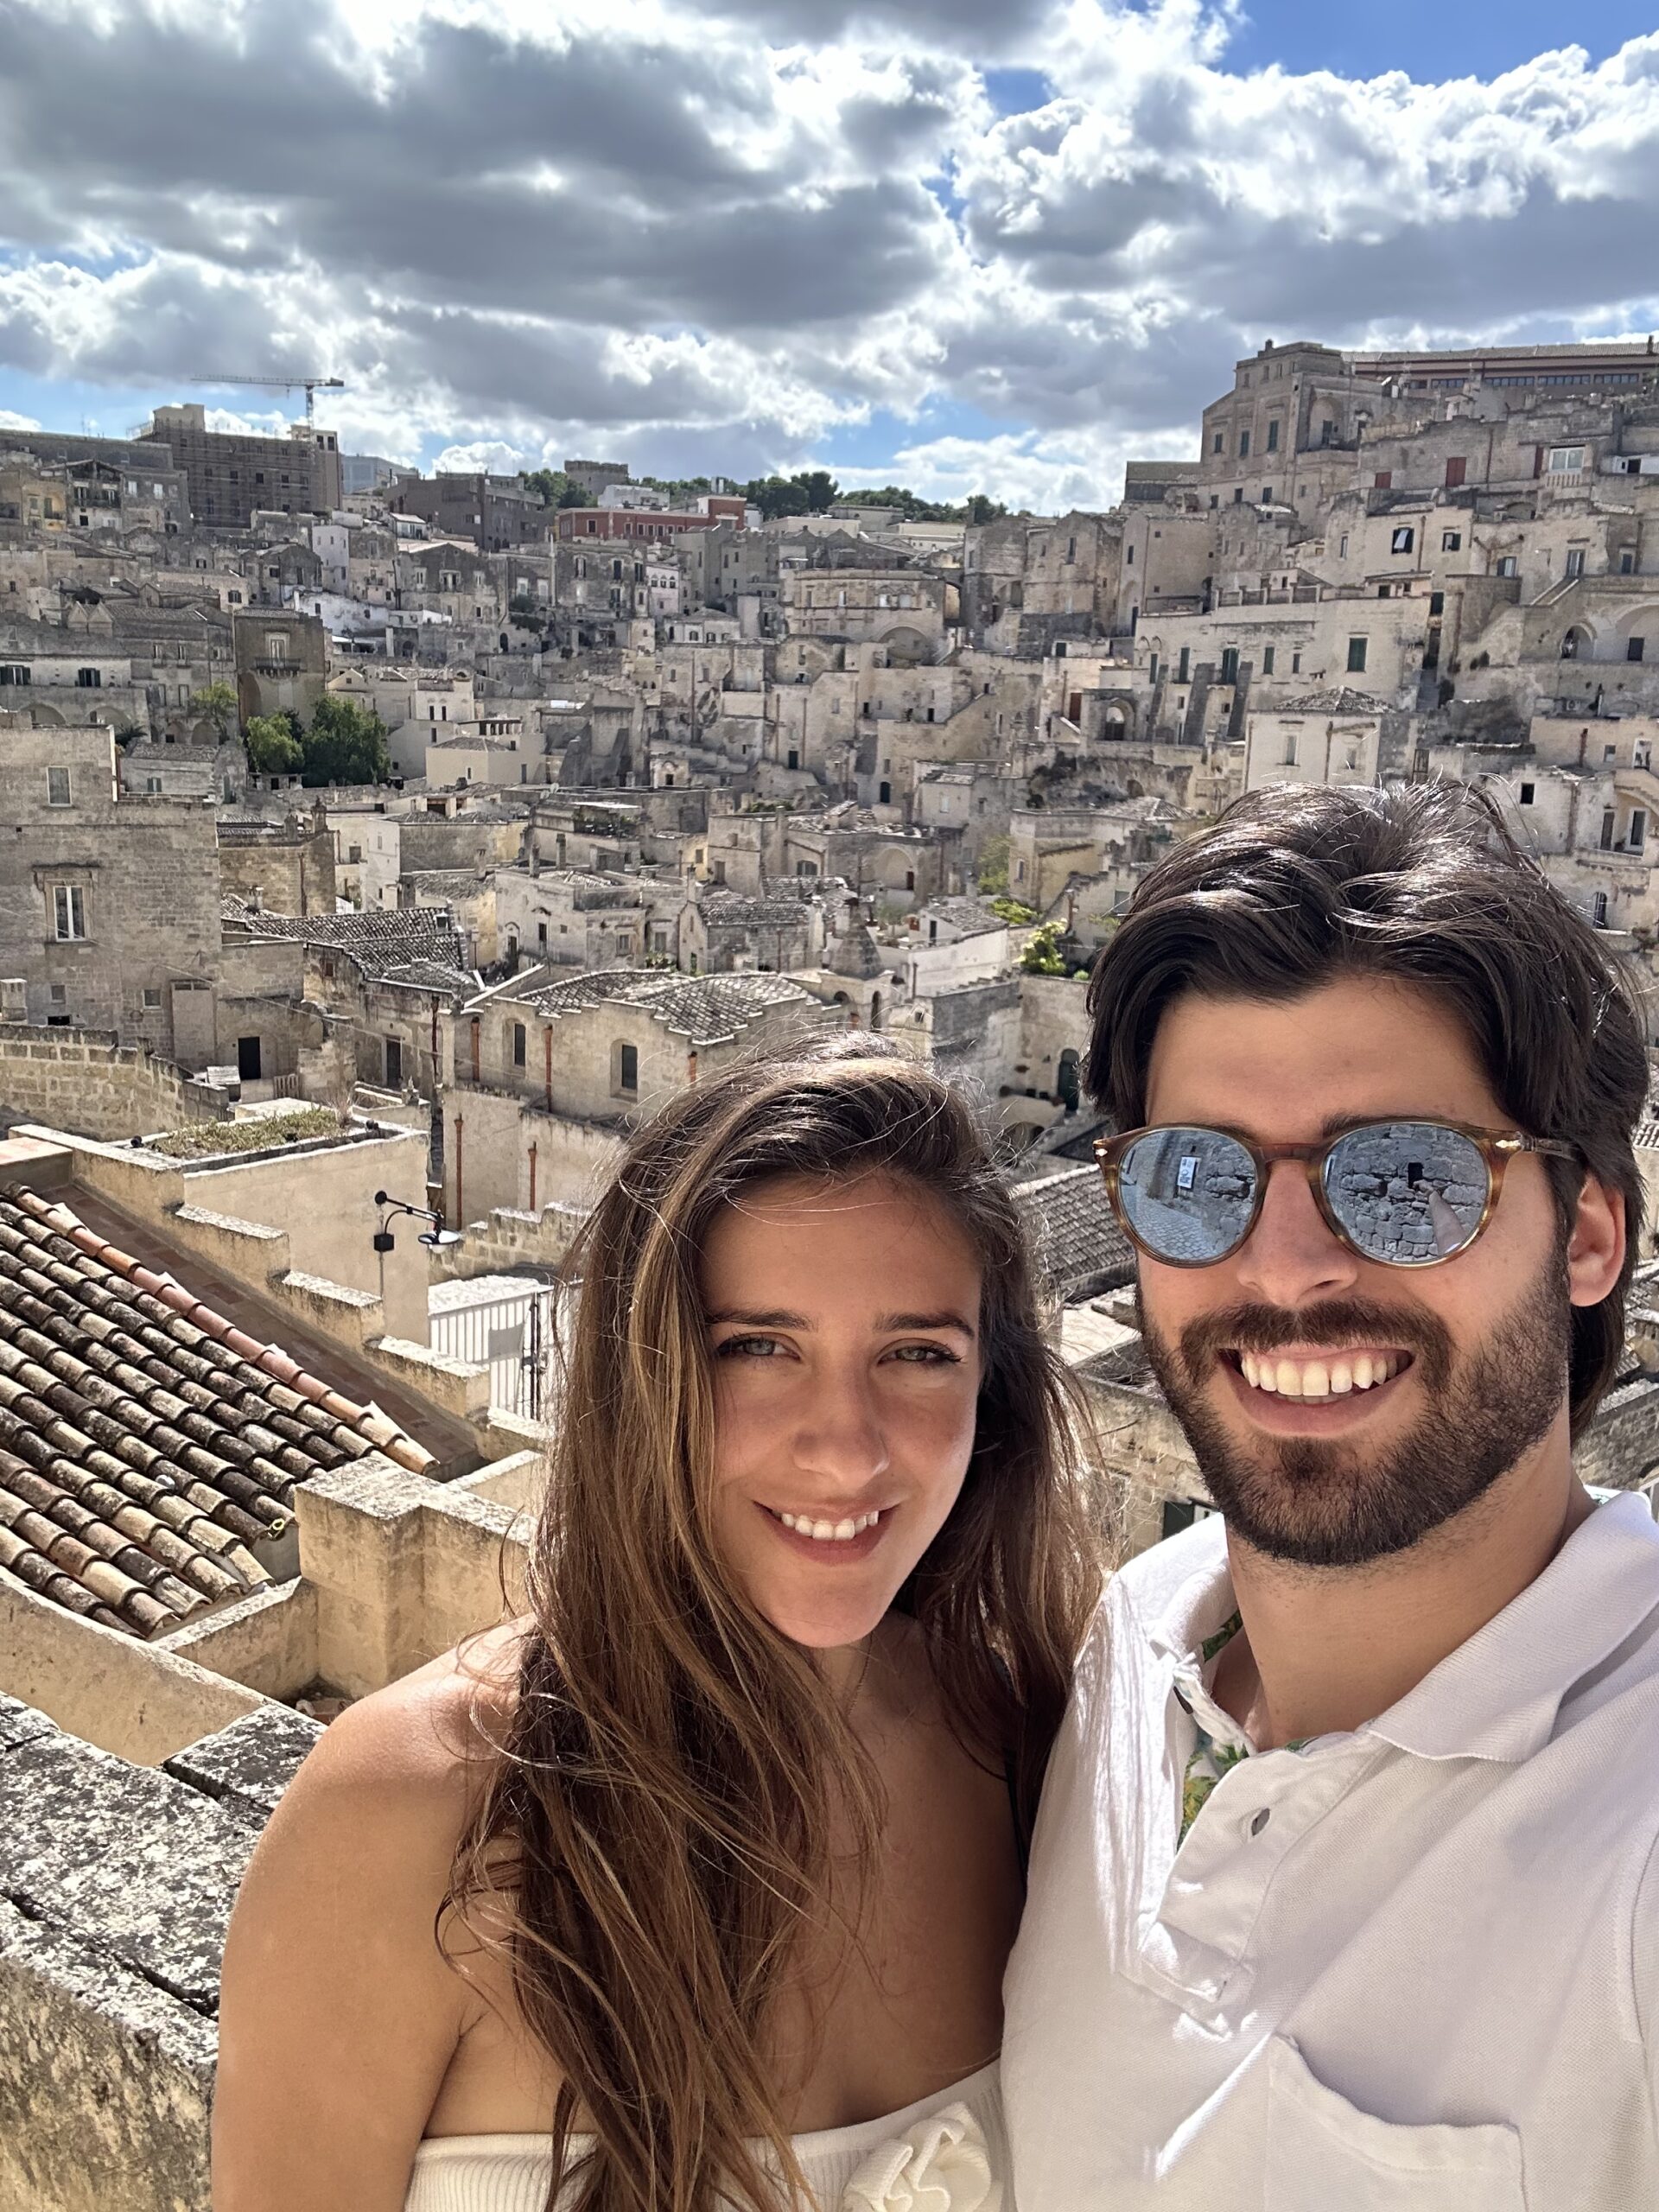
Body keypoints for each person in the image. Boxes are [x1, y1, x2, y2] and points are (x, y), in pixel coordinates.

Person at [213, 1038, 1101, 2212]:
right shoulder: (413, 1810)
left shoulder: (1030, 1754)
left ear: (991, 1395)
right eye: (759, 1348)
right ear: (647, 1377)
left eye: (916, 1354)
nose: (845, 1446)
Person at [1001, 779, 1659, 2209]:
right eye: (1195, 1177)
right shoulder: (1133, 1648)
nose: (1285, 1268)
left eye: (1406, 1177)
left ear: (1591, 1232)